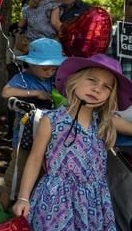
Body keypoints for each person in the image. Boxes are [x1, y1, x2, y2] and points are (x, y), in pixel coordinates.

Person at [12, 53, 132, 230]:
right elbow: (35, 160)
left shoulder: (105, 123)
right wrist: (23, 197)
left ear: (110, 96)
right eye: (92, 80)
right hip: (55, 201)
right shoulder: (51, 121)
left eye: (106, 87)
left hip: (94, 203)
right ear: (74, 81)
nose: (97, 89)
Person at [0, 38, 65, 226]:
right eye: (45, 68)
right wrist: (35, 94)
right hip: (25, 139)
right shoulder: (23, 78)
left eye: (53, 68)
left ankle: (20, 222)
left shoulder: (56, 81)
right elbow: (6, 92)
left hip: (48, 141)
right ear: (31, 63)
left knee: (36, 181)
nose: (50, 72)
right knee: (13, 180)